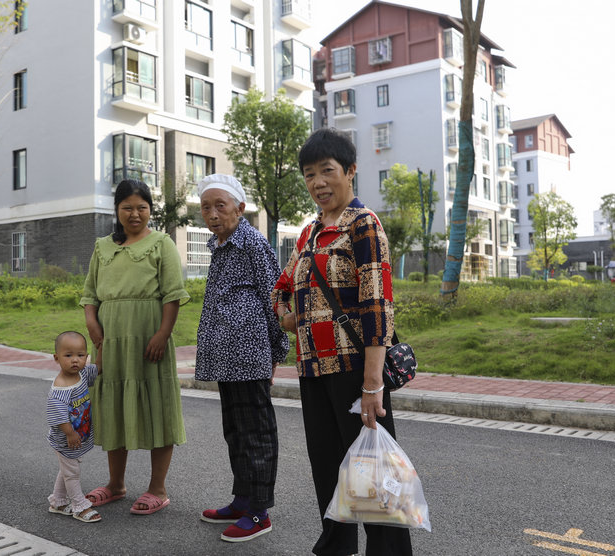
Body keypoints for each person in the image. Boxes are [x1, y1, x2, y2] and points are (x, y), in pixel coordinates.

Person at [271, 128, 413, 555]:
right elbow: (281, 288)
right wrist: (290, 317)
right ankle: (336, 549)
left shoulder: (364, 225)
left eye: (327, 171)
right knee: (330, 474)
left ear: (350, 172)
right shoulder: (310, 233)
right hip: (313, 371)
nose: (318, 183)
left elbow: (377, 308)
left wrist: (373, 386)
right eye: (309, 174)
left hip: (355, 372)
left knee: (372, 477)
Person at [81, 179, 190, 515]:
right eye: (127, 207)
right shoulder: (102, 247)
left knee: (157, 405)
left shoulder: (162, 244)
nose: (135, 213)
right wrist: (94, 327)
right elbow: (90, 296)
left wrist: (162, 334)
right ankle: (116, 484)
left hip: (149, 339)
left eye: (141, 207)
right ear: (116, 210)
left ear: (150, 210)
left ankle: (158, 488)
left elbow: (172, 294)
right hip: (111, 342)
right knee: (115, 406)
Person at [194, 174, 289, 543]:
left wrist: (275, 353)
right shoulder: (218, 244)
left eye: (221, 205)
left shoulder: (252, 242)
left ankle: (259, 511)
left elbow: (275, 296)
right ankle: (242, 499)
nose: (213, 213)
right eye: (206, 207)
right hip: (226, 358)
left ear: (239, 208)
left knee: (257, 433)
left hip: (250, 356)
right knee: (235, 430)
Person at [46, 331, 102, 523]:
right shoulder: (60, 388)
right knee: (72, 472)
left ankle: (59, 502)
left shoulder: (82, 374)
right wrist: (70, 433)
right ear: (56, 358)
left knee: (67, 469)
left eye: (80, 355)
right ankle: (80, 506)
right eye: (68, 356)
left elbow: (99, 368)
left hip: (77, 436)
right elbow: (58, 417)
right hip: (65, 439)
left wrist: (100, 347)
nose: (75, 360)